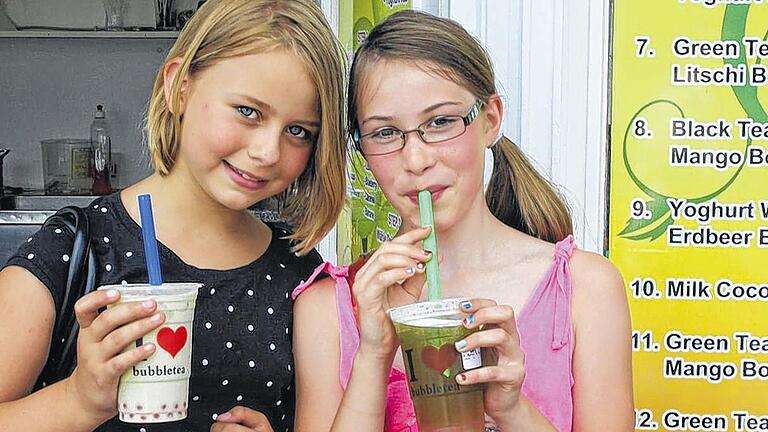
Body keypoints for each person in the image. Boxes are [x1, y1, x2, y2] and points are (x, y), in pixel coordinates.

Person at [0, 0, 346, 430]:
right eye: (248, 112)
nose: (267, 152)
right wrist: (78, 400)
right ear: (179, 86)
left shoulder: (300, 275)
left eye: (299, 131)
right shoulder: (73, 250)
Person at [290, 10, 634, 432]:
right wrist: (373, 357)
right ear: (361, 148)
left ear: (489, 119)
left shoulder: (586, 289)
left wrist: (511, 409)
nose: (415, 160)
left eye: (440, 123)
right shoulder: (327, 310)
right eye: (384, 133)